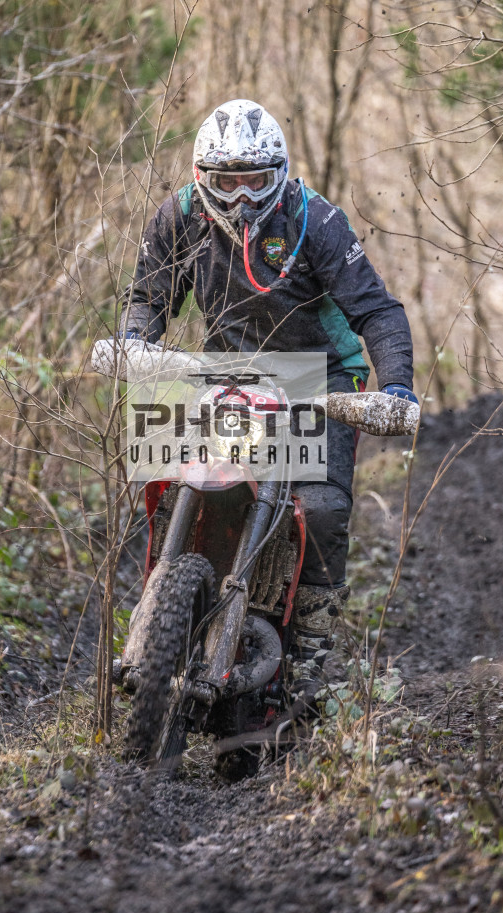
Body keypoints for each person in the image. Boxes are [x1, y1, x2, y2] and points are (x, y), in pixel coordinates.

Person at [121, 99, 415, 709]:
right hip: (228, 373)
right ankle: (163, 623)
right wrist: (132, 343)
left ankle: (310, 652)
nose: (241, 193)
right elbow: (150, 296)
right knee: (171, 482)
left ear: (276, 172)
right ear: (205, 175)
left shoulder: (316, 221)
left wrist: (396, 387)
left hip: (319, 379)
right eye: (227, 180)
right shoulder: (179, 216)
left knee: (324, 508)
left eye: (254, 178)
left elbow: (378, 311)